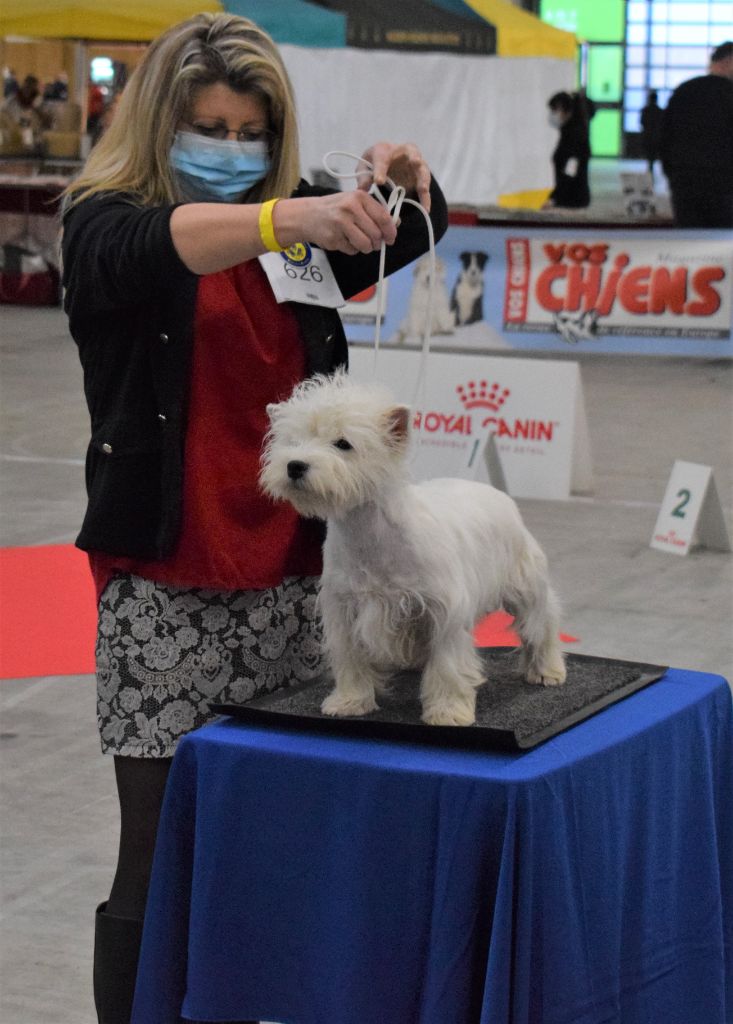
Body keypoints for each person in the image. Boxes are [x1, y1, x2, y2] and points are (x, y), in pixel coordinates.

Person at [60, 12, 447, 1024]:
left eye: (247, 134)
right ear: (159, 124)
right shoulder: (105, 225)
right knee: (155, 851)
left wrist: (406, 179)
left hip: (301, 583)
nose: (229, 151)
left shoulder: (300, 230)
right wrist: (292, 216)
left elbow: (402, 230)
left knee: (287, 842)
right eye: (208, 129)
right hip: (164, 589)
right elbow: (163, 242)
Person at [660, 40, 733, 228]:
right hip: (725, 184)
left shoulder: (684, 91)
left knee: (689, 238)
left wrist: (673, 173)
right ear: (729, 62)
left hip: (685, 180)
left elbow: (665, 136)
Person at [543, 89, 594, 210]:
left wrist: (554, 199)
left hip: (572, 201)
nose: (552, 115)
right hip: (568, 198)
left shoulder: (575, 137)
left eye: (554, 110)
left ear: (565, 111)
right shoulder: (568, 133)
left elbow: (570, 173)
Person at [0, 74, 52, 144]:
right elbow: (5, 111)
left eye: (33, 86)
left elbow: (45, 119)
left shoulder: (37, 99)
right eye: (27, 86)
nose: (28, 89)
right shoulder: (14, 98)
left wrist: (39, 113)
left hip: (32, 134)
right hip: (11, 128)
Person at [639, 89, 663, 176]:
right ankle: (650, 167)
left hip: (647, 135)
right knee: (652, 154)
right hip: (655, 136)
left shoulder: (645, 110)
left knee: (649, 154)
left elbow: (642, 122)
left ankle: (650, 167)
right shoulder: (659, 111)